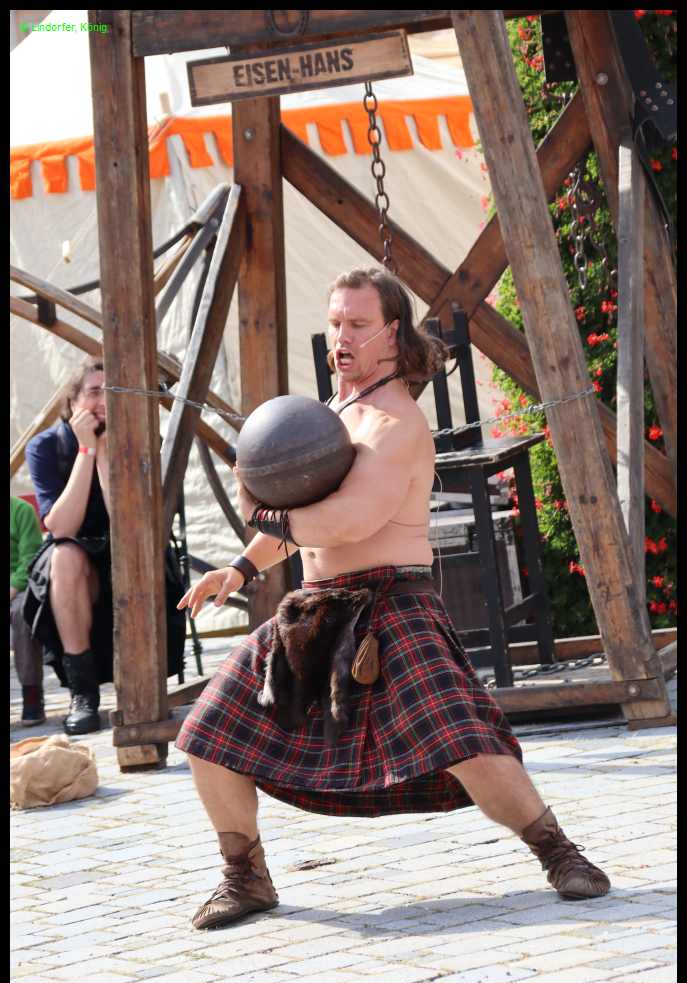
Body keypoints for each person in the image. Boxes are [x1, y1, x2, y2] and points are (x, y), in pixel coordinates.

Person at [176, 267, 610, 931]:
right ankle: (246, 877)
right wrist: (238, 568)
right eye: (335, 323)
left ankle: (558, 853)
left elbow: (349, 520)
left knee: (466, 743)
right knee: (208, 735)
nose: (342, 337)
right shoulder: (332, 415)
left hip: (392, 606)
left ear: (392, 333)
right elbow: (300, 521)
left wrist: (260, 512)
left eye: (357, 324)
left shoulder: (395, 421)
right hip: (315, 609)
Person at [22, 358, 186, 736]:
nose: (103, 401)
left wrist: (107, 455)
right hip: (74, 568)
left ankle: (142, 682)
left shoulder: (143, 440)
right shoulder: (46, 446)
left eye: (112, 392)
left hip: (128, 552)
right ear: (72, 402)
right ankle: (83, 694)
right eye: (95, 392)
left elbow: (129, 525)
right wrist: (87, 452)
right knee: (64, 555)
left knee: (134, 554)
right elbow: (61, 528)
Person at [10, 495, 46, 725]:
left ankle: (31, 693)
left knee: (23, 613)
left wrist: (13, 587)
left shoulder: (21, 511)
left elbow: (30, 558)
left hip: (18, 587)